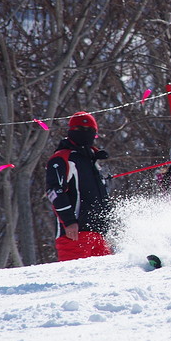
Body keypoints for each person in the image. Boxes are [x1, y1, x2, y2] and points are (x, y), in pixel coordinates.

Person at [45, 111, 112, 261]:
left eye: (90, 131)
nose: (85, 134)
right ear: (71, 131)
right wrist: (69, 221)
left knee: (108, 281)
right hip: (74, 234)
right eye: (79, 130)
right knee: (76, 281)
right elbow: (54, 191)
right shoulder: (63, 158)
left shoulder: (93, 160)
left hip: (99, 233)